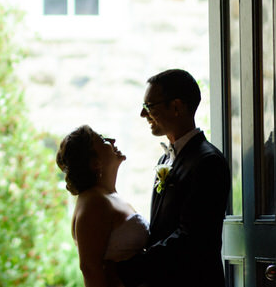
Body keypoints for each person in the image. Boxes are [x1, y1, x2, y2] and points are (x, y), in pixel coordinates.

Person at [117, 68, 230, 287]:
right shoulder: (164, 160)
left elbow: (192, 238)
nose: (143, 114)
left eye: (149, 106)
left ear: (176, 107)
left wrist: (130, 269)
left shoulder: (208, 161)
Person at [56, 125, 148, 287]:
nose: (112, 141)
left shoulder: (108, 196)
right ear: (95, 163)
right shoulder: (93, 202)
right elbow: (90, 269)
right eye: (104, 140)